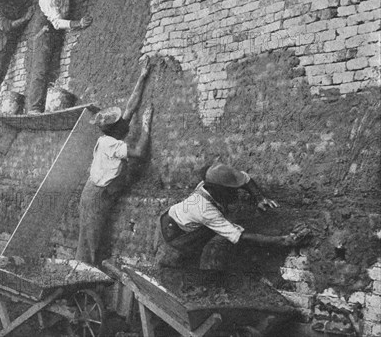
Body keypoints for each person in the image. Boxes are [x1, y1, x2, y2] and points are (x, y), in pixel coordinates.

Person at [157, 163, 310, 270]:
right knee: (186, 267)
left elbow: (245, 180)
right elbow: (238, 236)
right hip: (176, 234)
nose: (236, 193)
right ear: (216, 189)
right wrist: (282, 241)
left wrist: (259, 198)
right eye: (231, 191)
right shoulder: (204, 209)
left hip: (188, 221)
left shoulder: (215, 183)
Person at [75, 60, 154, 265]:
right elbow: (139, 153)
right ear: (117, 128)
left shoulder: (112, 135)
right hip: (95, 196)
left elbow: (131, 105)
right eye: (122, 121)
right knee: (91, 240)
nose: (125, 121)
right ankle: (87, 275)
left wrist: (142, 76)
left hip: (96, 191)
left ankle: (87, 270)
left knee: (91, 237)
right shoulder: (111, 144)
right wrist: (146, 126)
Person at [26, 0, 92, 115]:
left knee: (51, 70)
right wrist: (78, 23)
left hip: (52, 33)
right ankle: (34, 108)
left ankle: (45, 106)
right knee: (40, 70)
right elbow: (57, 23)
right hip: (42, 33)